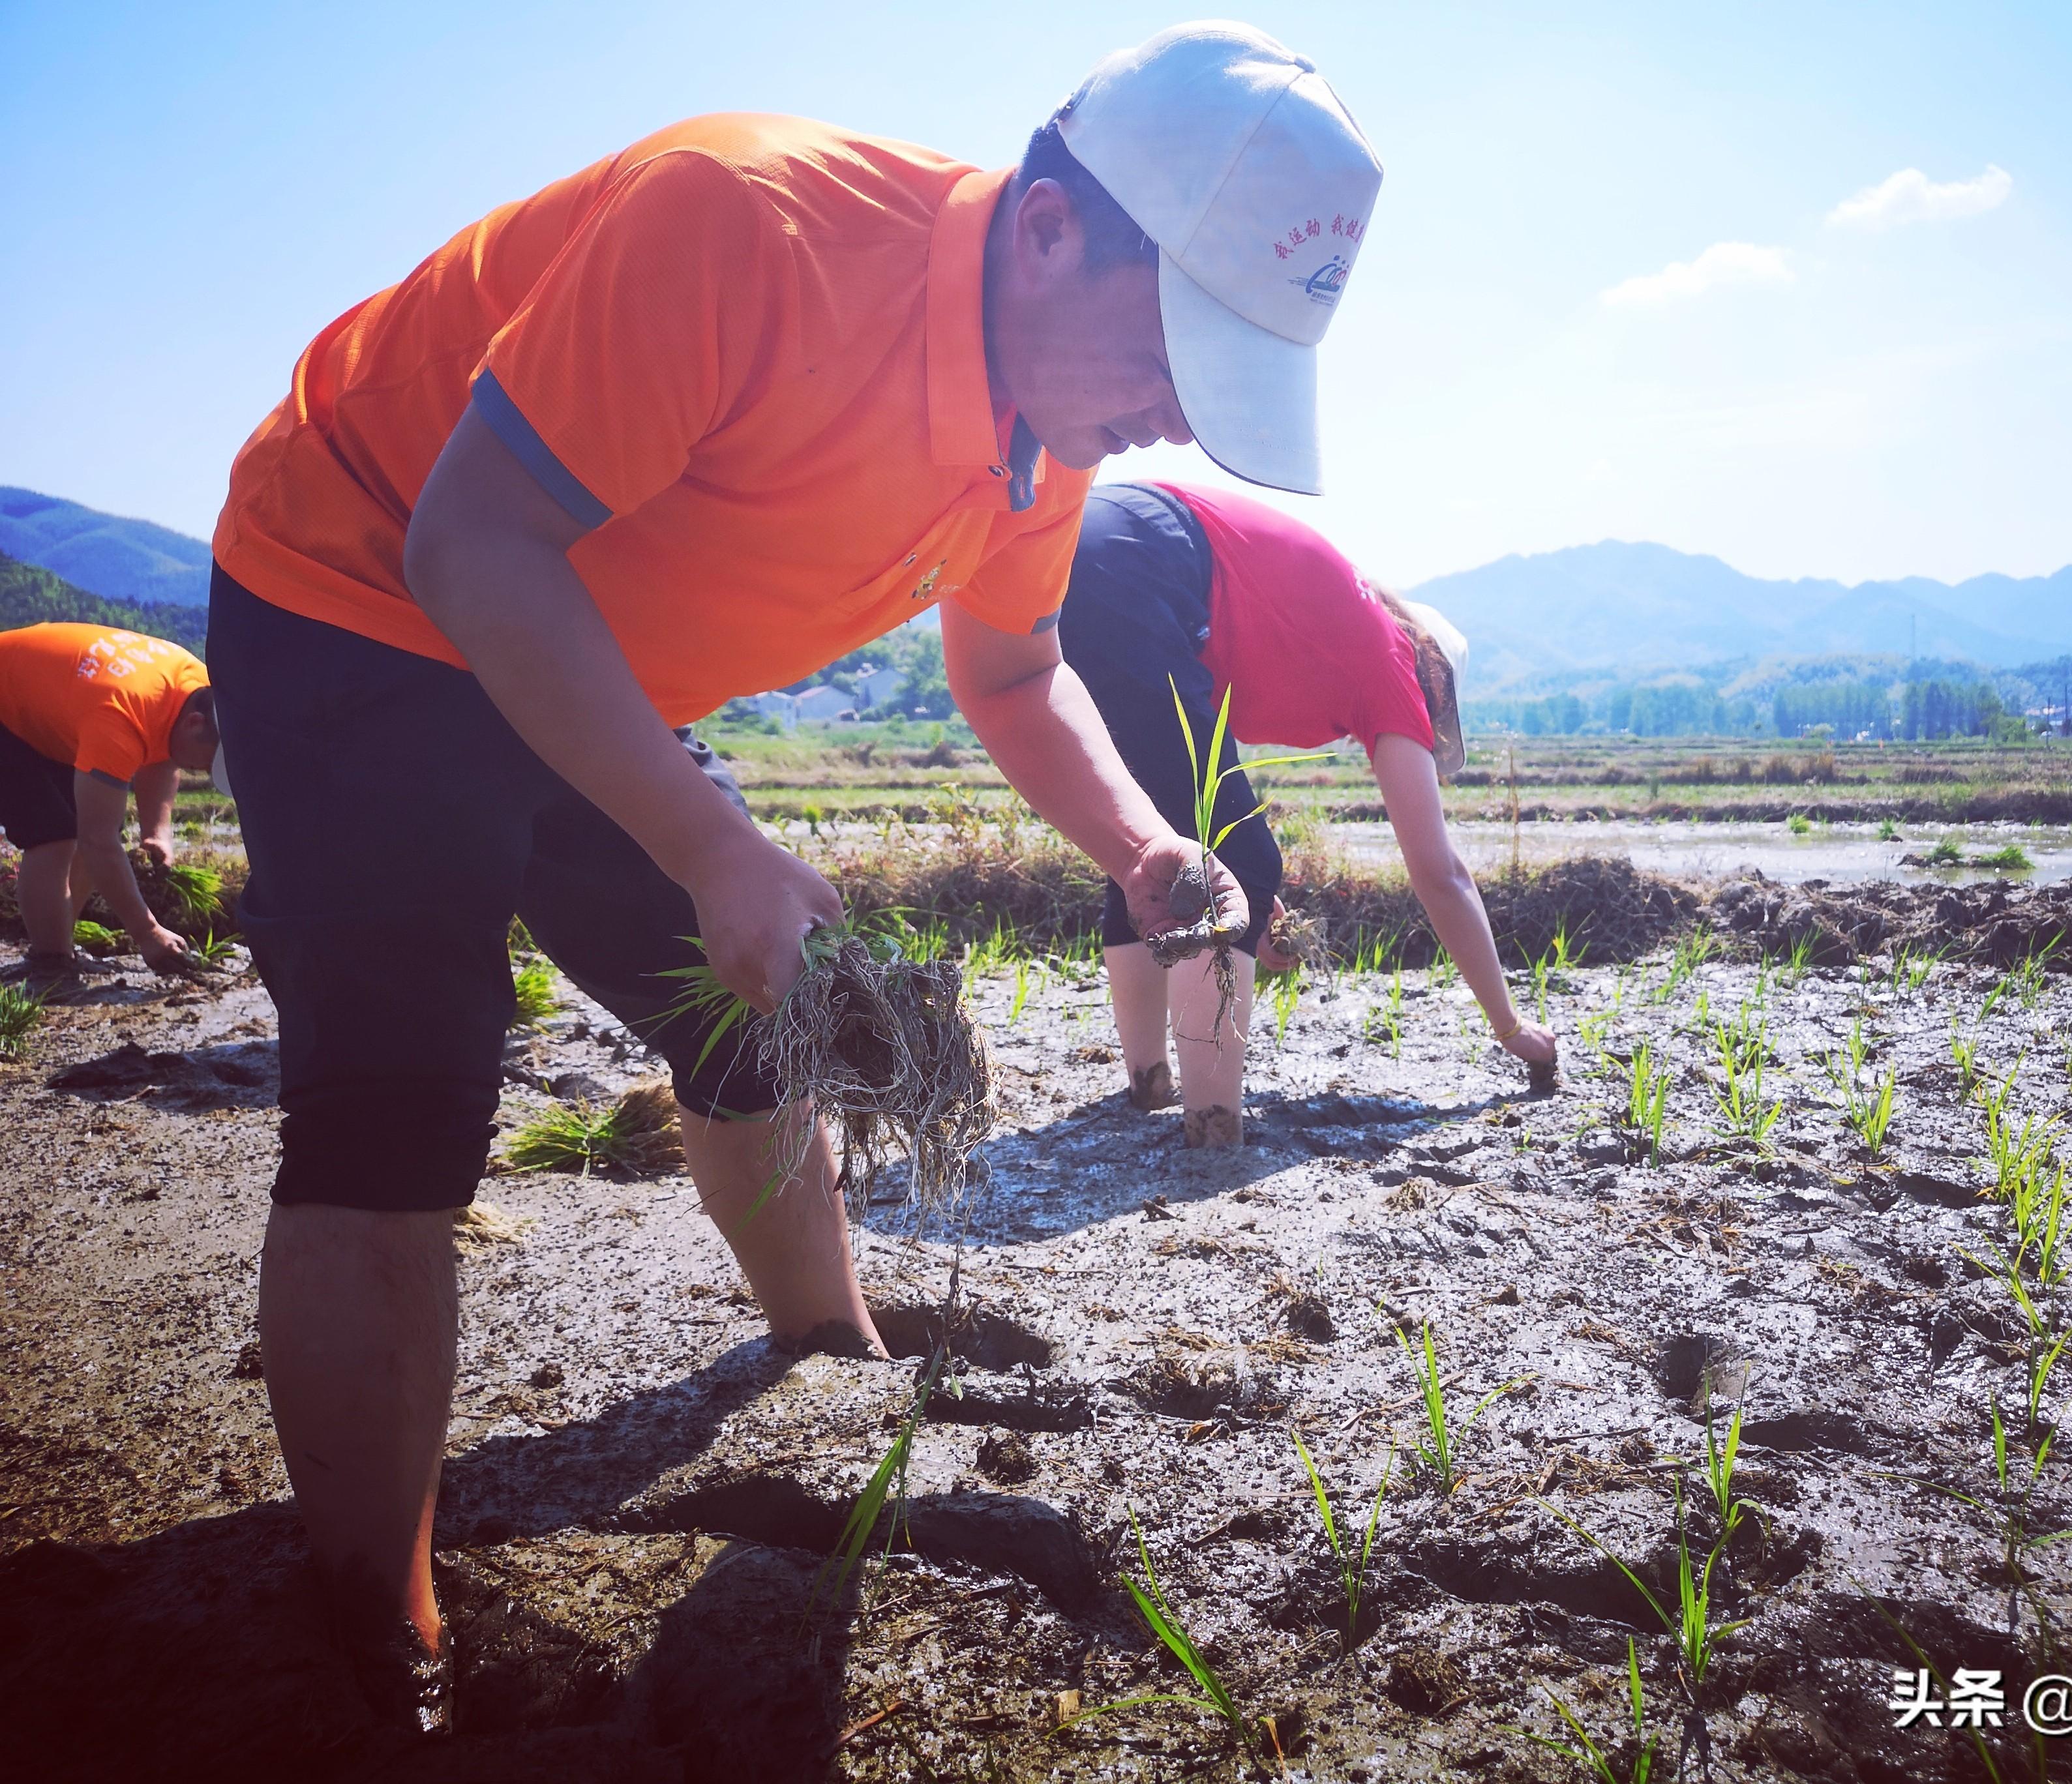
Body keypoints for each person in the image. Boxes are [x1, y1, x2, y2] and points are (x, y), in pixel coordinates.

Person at [205, 22, 1379, 1732]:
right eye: (1181, 348)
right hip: (362, 592)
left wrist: (1138, 843)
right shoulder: (748, 229)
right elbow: (473, 544)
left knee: (751, 1014)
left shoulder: (1043, 437)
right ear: (1053, 225)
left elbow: (1011, 669)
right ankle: (378, 1609)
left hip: (587, 652)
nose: (1183, 416)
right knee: (404, 1097)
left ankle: (828, 1349)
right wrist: (709, 841)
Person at [1059, 482, 1559, 1144]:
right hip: (1143, 560)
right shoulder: (1392, 662)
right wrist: (1509, 1027)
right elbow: (1441, 874)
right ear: (1433, 671)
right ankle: (1214, 1135)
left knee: (1162, 849)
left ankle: (1149, 1085)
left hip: (1080, 546)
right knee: (1240, 857)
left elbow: (1196, 790)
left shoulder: (1334, 628)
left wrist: (1259, 910)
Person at [0, 623, 219, 993]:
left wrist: (156, 832)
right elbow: (96, 842)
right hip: (7, 704)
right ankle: (50, 964)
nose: (205, 770)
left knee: (94, 832)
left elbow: (163, 756)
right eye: (209, 760)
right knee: (54, 837)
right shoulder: (122, 716)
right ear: (196, 724)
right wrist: (148, 934)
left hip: (54, 707)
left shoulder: (196, 685)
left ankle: (58, 947)